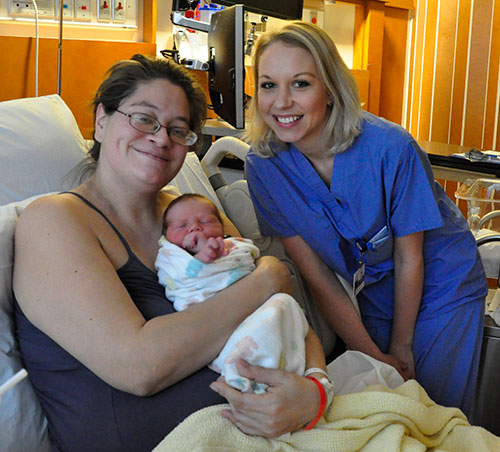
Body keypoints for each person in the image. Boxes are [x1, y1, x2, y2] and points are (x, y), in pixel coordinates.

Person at [12, 54, 331, 452]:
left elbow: (287, 316)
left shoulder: (187, 211)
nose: (161, 138)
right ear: (101, 120)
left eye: (179, 130)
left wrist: (315, 389)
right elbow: (138, 367)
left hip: (268, 429)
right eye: (144, 118)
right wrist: (270, 274)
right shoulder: (56, 220)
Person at [244, 21, 488, 417]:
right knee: (383, 403)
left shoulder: (390, 148)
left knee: (438, 411)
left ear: (330, 88)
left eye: (301, 84)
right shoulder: (264, 166)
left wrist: (402, 346)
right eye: (269, 85)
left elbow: (412, 258)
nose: (281, 102)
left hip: (444, 281)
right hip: (374, 289)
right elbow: (316, 273)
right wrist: (369, 351)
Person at [155, 193, 329, 396]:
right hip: (217, 327)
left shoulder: (231, 247)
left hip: (252, 312)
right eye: (181, 226)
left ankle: (288, 373)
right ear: (166, 236)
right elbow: (188, 273)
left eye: (206, 221)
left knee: (285, 306)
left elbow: (247, 260)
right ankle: (256, 373)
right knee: (274, 315)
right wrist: (203, 256)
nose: (195, 228)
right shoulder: (173, 257)